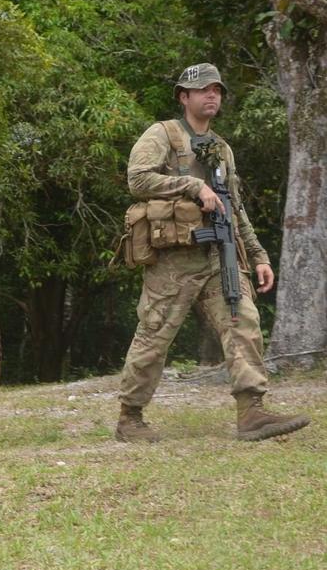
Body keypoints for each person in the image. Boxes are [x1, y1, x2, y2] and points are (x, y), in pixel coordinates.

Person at [114, 62, 310, 443]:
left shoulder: (221, 148)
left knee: (244, 322)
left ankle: (251, 411)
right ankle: (130, 417)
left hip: (220, 253)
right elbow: (136, 179)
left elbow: (235, 206)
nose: (211, 95)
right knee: (154, 335)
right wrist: (191, 186)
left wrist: (258, 255)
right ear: (183, 96)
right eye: (203, 89)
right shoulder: (164, 135)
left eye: (217, 90)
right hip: (174, 259)